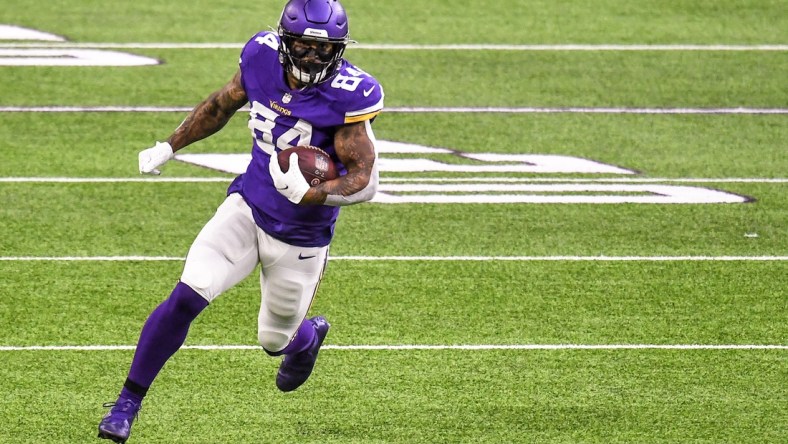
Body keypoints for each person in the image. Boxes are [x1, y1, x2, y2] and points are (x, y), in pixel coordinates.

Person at [97, 0, 383, 442]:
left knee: (275, 340)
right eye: (304, 47)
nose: (312, 58)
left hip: (301, 237)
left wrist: (316, 193)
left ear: (339, 51)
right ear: (286, 41)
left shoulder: (351, 93)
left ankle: (306, 338)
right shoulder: (260, 55)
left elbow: (365, 180)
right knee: (188, 295)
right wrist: (171, 145)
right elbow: (221, 104)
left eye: (323, 51)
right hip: (247, 208)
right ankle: (126, 404)